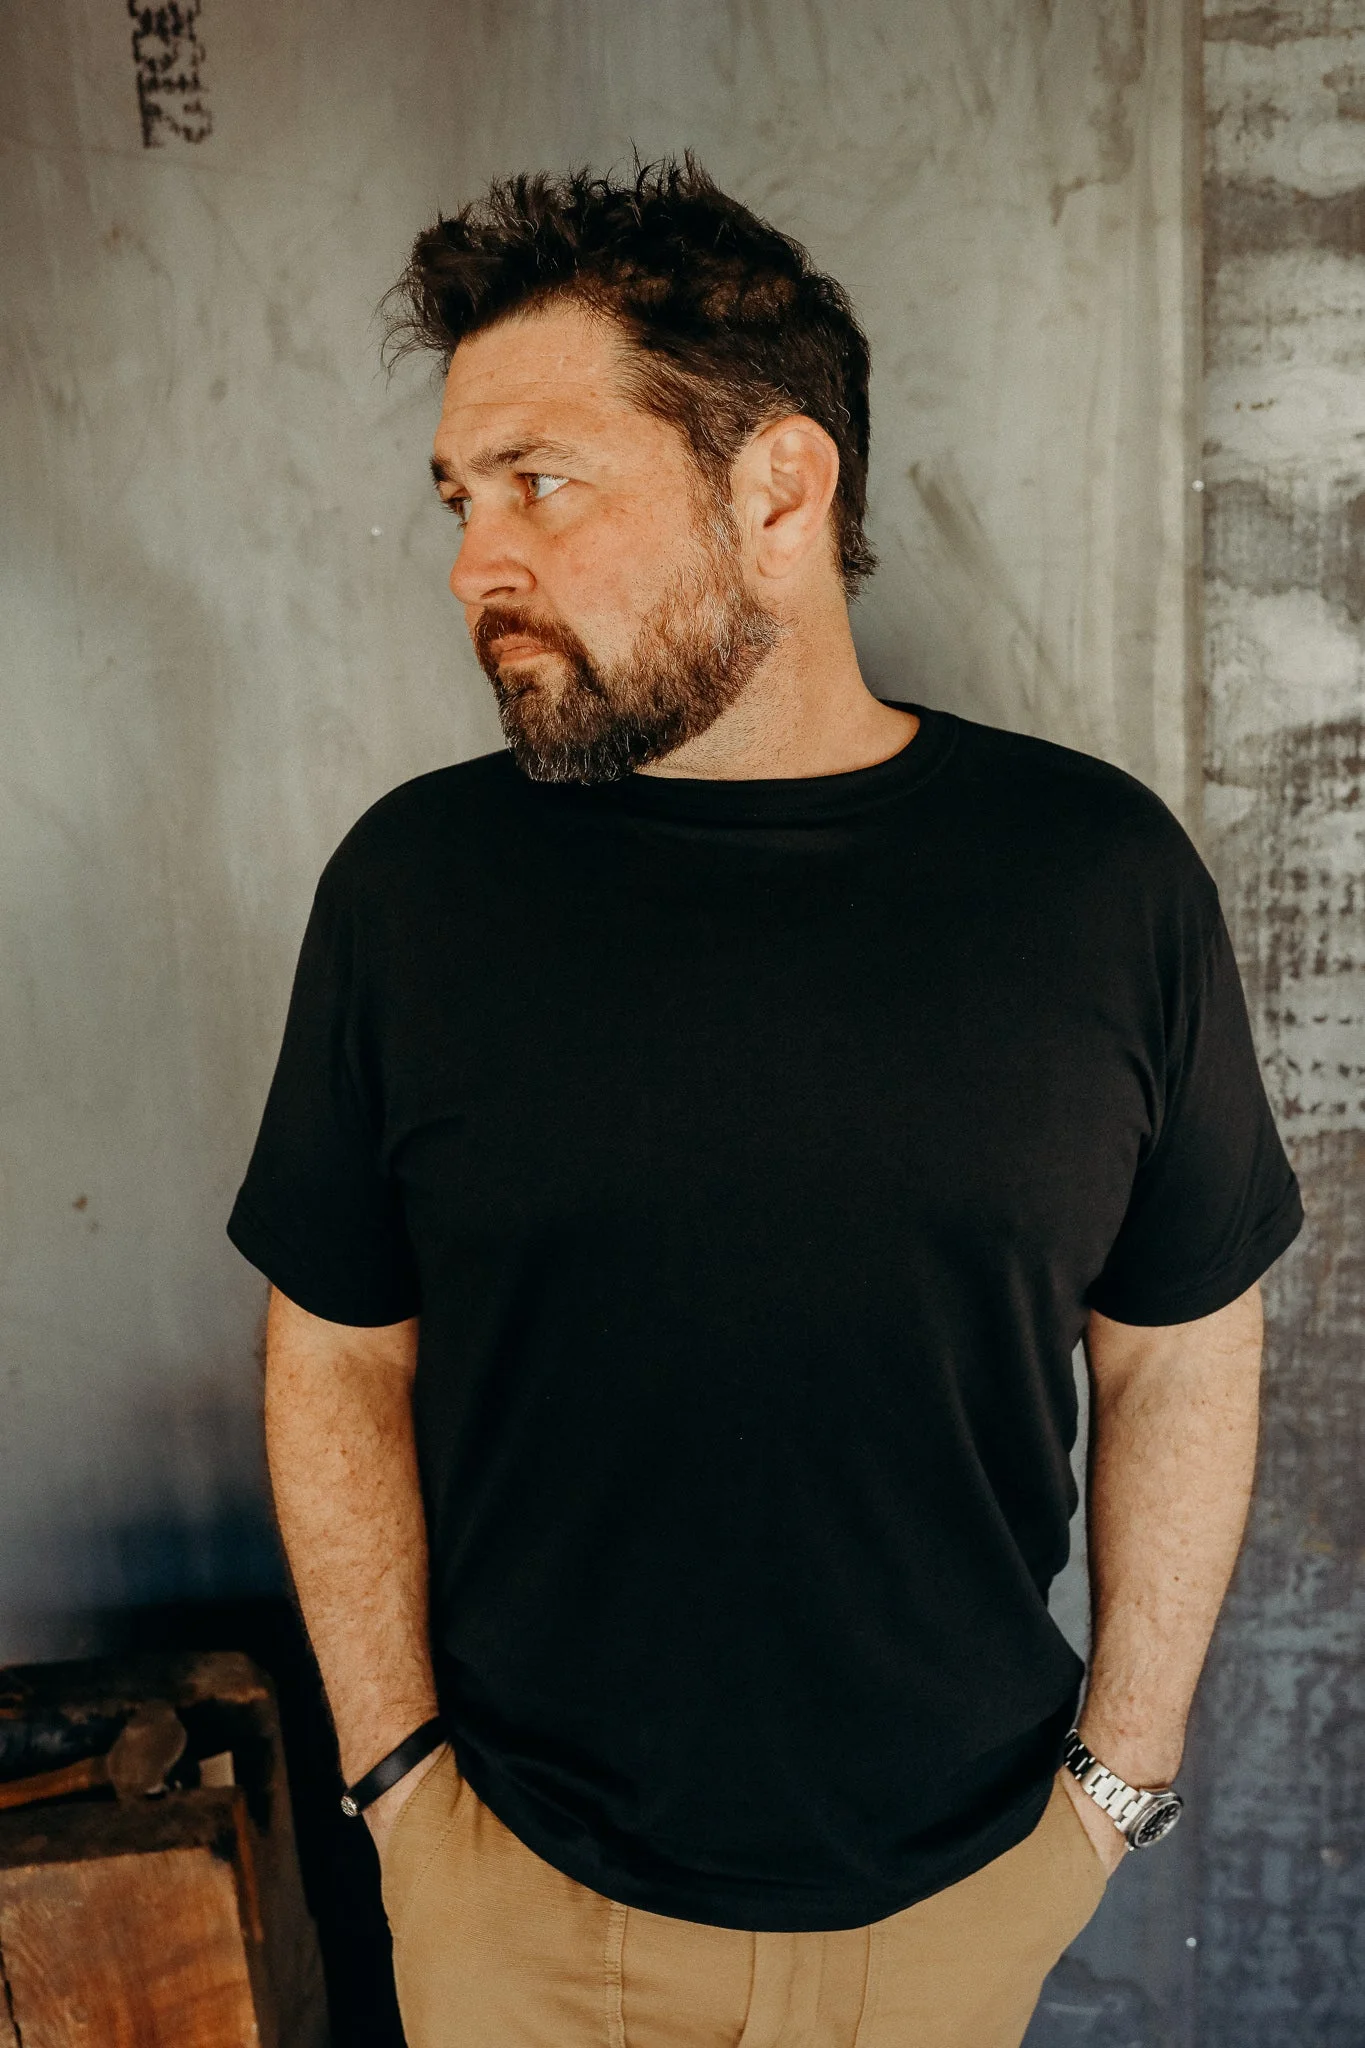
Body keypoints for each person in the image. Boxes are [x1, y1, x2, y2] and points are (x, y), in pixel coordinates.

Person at [227, 156, 1303, 2048]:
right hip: (517, 1906)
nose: (477, 563)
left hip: (961, 1903)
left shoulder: (1096, 879)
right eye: (462, 497)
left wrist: (1116, 1787)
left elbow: (1180, 1348)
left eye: (542, 481)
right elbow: (335, 1349)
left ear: (780, 491)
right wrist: (399, 1786)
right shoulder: (416, 889)